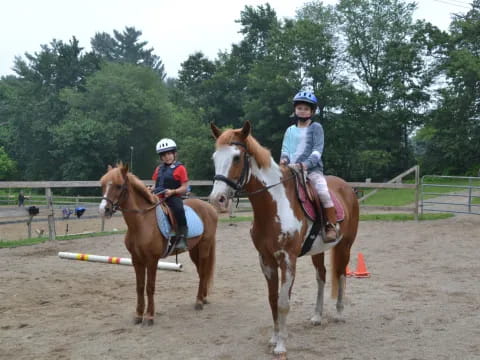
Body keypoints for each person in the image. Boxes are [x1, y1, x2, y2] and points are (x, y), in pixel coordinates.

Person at [279, 90, 339, 243]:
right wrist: (284, 160)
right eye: (299, 108)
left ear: (312, 111)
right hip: (290, 170)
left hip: (311, 170)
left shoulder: (316, 127)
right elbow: (285, 149)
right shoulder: (290, 130)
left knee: (323, 191)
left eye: (306, 108)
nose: (302, 111)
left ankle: (330, 224)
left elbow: (318, 150)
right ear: (295, 110)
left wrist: (305, 165)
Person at [151, 138, 189, 249]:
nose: (167, 157)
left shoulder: (180, 168)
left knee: (178, 209)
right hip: (158, 197)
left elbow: (185, 187)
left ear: (174, 154)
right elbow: (156, 184)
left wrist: (173, 191)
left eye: (169, 154)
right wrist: (150, 189)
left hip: (172, 197)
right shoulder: (158, 169)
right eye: (163, 155)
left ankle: (182, 237)